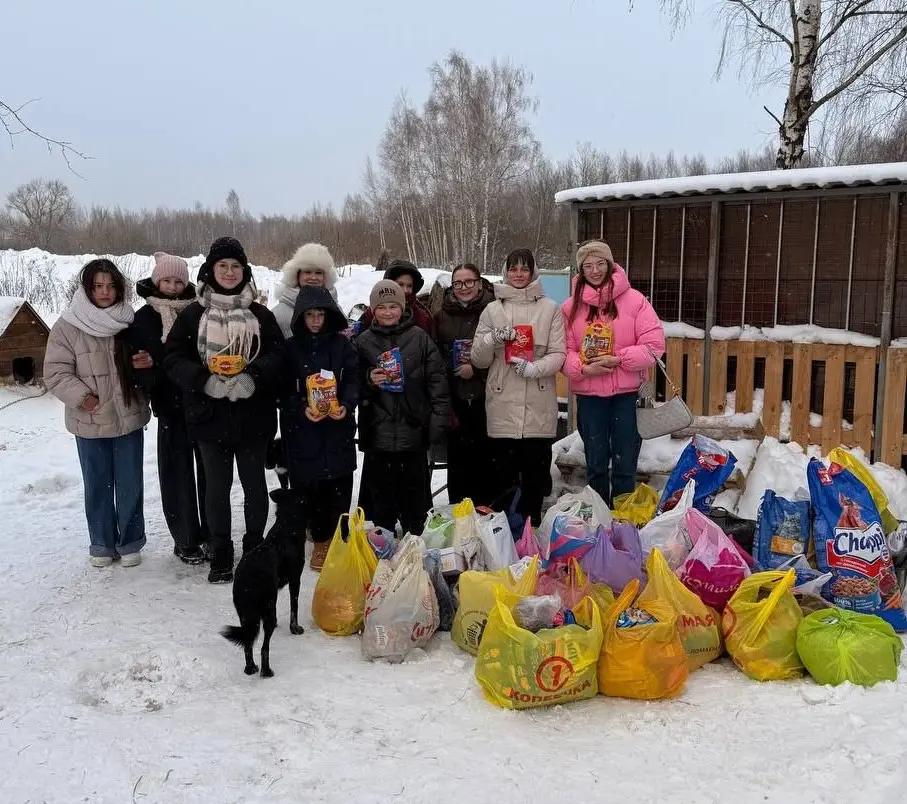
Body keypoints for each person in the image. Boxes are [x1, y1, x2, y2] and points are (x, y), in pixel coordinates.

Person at [164, 237, 285, 584]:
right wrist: (204, 381)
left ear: (244, 271)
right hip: (208, 416)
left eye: (236, 266)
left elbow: (278, 356)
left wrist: (254, 377)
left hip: (253, 416)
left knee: (254, 487)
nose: (229, 272)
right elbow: (173, 358)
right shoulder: (193, 315)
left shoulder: (260, 315)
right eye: (222, 266)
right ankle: (220, 551)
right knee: (216, 489)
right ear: (211, 271)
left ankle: (254, 547)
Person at [44, 259, 151, 568]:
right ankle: (102, 544)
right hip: (89, 419)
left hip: (128, 416)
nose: (105, 292)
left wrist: (144, 365)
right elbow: (55, 372)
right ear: (87, 289)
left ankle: (130, 541)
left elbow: (146, 359)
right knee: (97, 482)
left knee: (130, 482)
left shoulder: (128, 322)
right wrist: (81, 397)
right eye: (98, 286)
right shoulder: (68, 326)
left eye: (110, 286)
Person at [562, 240, 665, 506]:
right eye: (587, 266)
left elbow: (654, 347)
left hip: (627, 396)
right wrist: (585, 368)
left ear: (610, 265)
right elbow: (562, 351)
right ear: (580, 270)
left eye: (600, 264)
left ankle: (622, 517)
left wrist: (619, 359)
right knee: (595, 462)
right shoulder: (569, 307)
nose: (594, 270)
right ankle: (599, 514)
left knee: (625, 461)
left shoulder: (635, 301)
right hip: (590, 397)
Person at [471, 248, 566, 526]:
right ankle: (504, 529)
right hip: (503, 401)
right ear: (506, 272)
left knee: (535, 472)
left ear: (533, 272)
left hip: (538, 399)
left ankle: (531, 527)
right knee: (503, 473)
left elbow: (559, 353)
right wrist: (492, 340)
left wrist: (535, 368)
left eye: (524, 269)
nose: (519, 275)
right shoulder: (493, 309)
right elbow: (478, 358)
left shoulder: (550, 308)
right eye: (513, 269)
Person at [129, 252, 209, 565]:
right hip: (169, 404)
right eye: (167, 280)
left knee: (209, 473)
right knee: (176, 476)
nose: (173, 286)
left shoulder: (198, 312)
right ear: (156, 280)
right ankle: (186, 539)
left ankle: (213, 534)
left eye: (179, 280)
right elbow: (137, 360)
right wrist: (148, 367)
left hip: (202, 402)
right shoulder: (145, 317)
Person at [354, 280, 449, 535]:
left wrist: (437, 424)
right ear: (373, 310)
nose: (387, 312)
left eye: (393, 306)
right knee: (382, 511)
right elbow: (350, 386)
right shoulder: (363, 342)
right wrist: (368, 380)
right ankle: (384, 558)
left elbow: (437, 382)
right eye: (381, 307)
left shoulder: (419, 338)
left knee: (415, 510)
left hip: (413, 435)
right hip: (378, 436)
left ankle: (414, 555)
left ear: (402, 307)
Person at [281, 285, 359, 571]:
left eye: (320, 315)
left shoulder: (342, 346)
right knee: (307, 488)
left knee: (338, 487)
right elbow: (282, 389)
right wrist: (301, 408)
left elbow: (354, 380)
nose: (315, 320)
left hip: (337, 430)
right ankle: (315, 537)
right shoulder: (290, 349)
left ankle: (337, 539)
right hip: (304, 434)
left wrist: (347, 405)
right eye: (309, 314)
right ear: (301, 317)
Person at [432, 263, 496, 506]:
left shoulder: (493, 311)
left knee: (487, 457)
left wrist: (477, 370)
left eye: (469, 282)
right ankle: (459, 512)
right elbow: (434, 356)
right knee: (458, 459)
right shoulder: (441, 315)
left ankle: (487, 511)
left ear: (479, 283)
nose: (464, 288)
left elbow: (502, 354)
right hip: (456, 396)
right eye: (458, 283)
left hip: (487, 396)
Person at [272, 242, 339, 339]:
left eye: (318, 273)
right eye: (307, 272)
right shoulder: (279, 314)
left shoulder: (335, 309)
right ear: (297, 275)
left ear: (326, 276)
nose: (313, 277)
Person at [357, 259, 434, 337]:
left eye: (409, 286)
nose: (405, 290)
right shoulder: (373, 312)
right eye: (400, 284)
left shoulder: (420, 316)